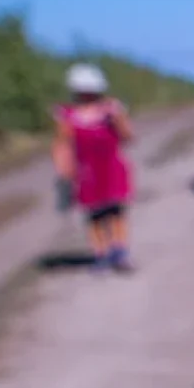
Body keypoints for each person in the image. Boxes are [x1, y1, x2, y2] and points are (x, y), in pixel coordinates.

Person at [52, 63, 135, 272]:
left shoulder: (110, 110)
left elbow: (128, 136)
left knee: (116, 211)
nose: (88, 95)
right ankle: (101, 254)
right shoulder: (68, 115)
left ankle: (119, 250)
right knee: (94, 215)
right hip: (87, 171)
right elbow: (63, 142)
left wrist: (118, 117)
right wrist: (64, 169)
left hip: (111, 166)